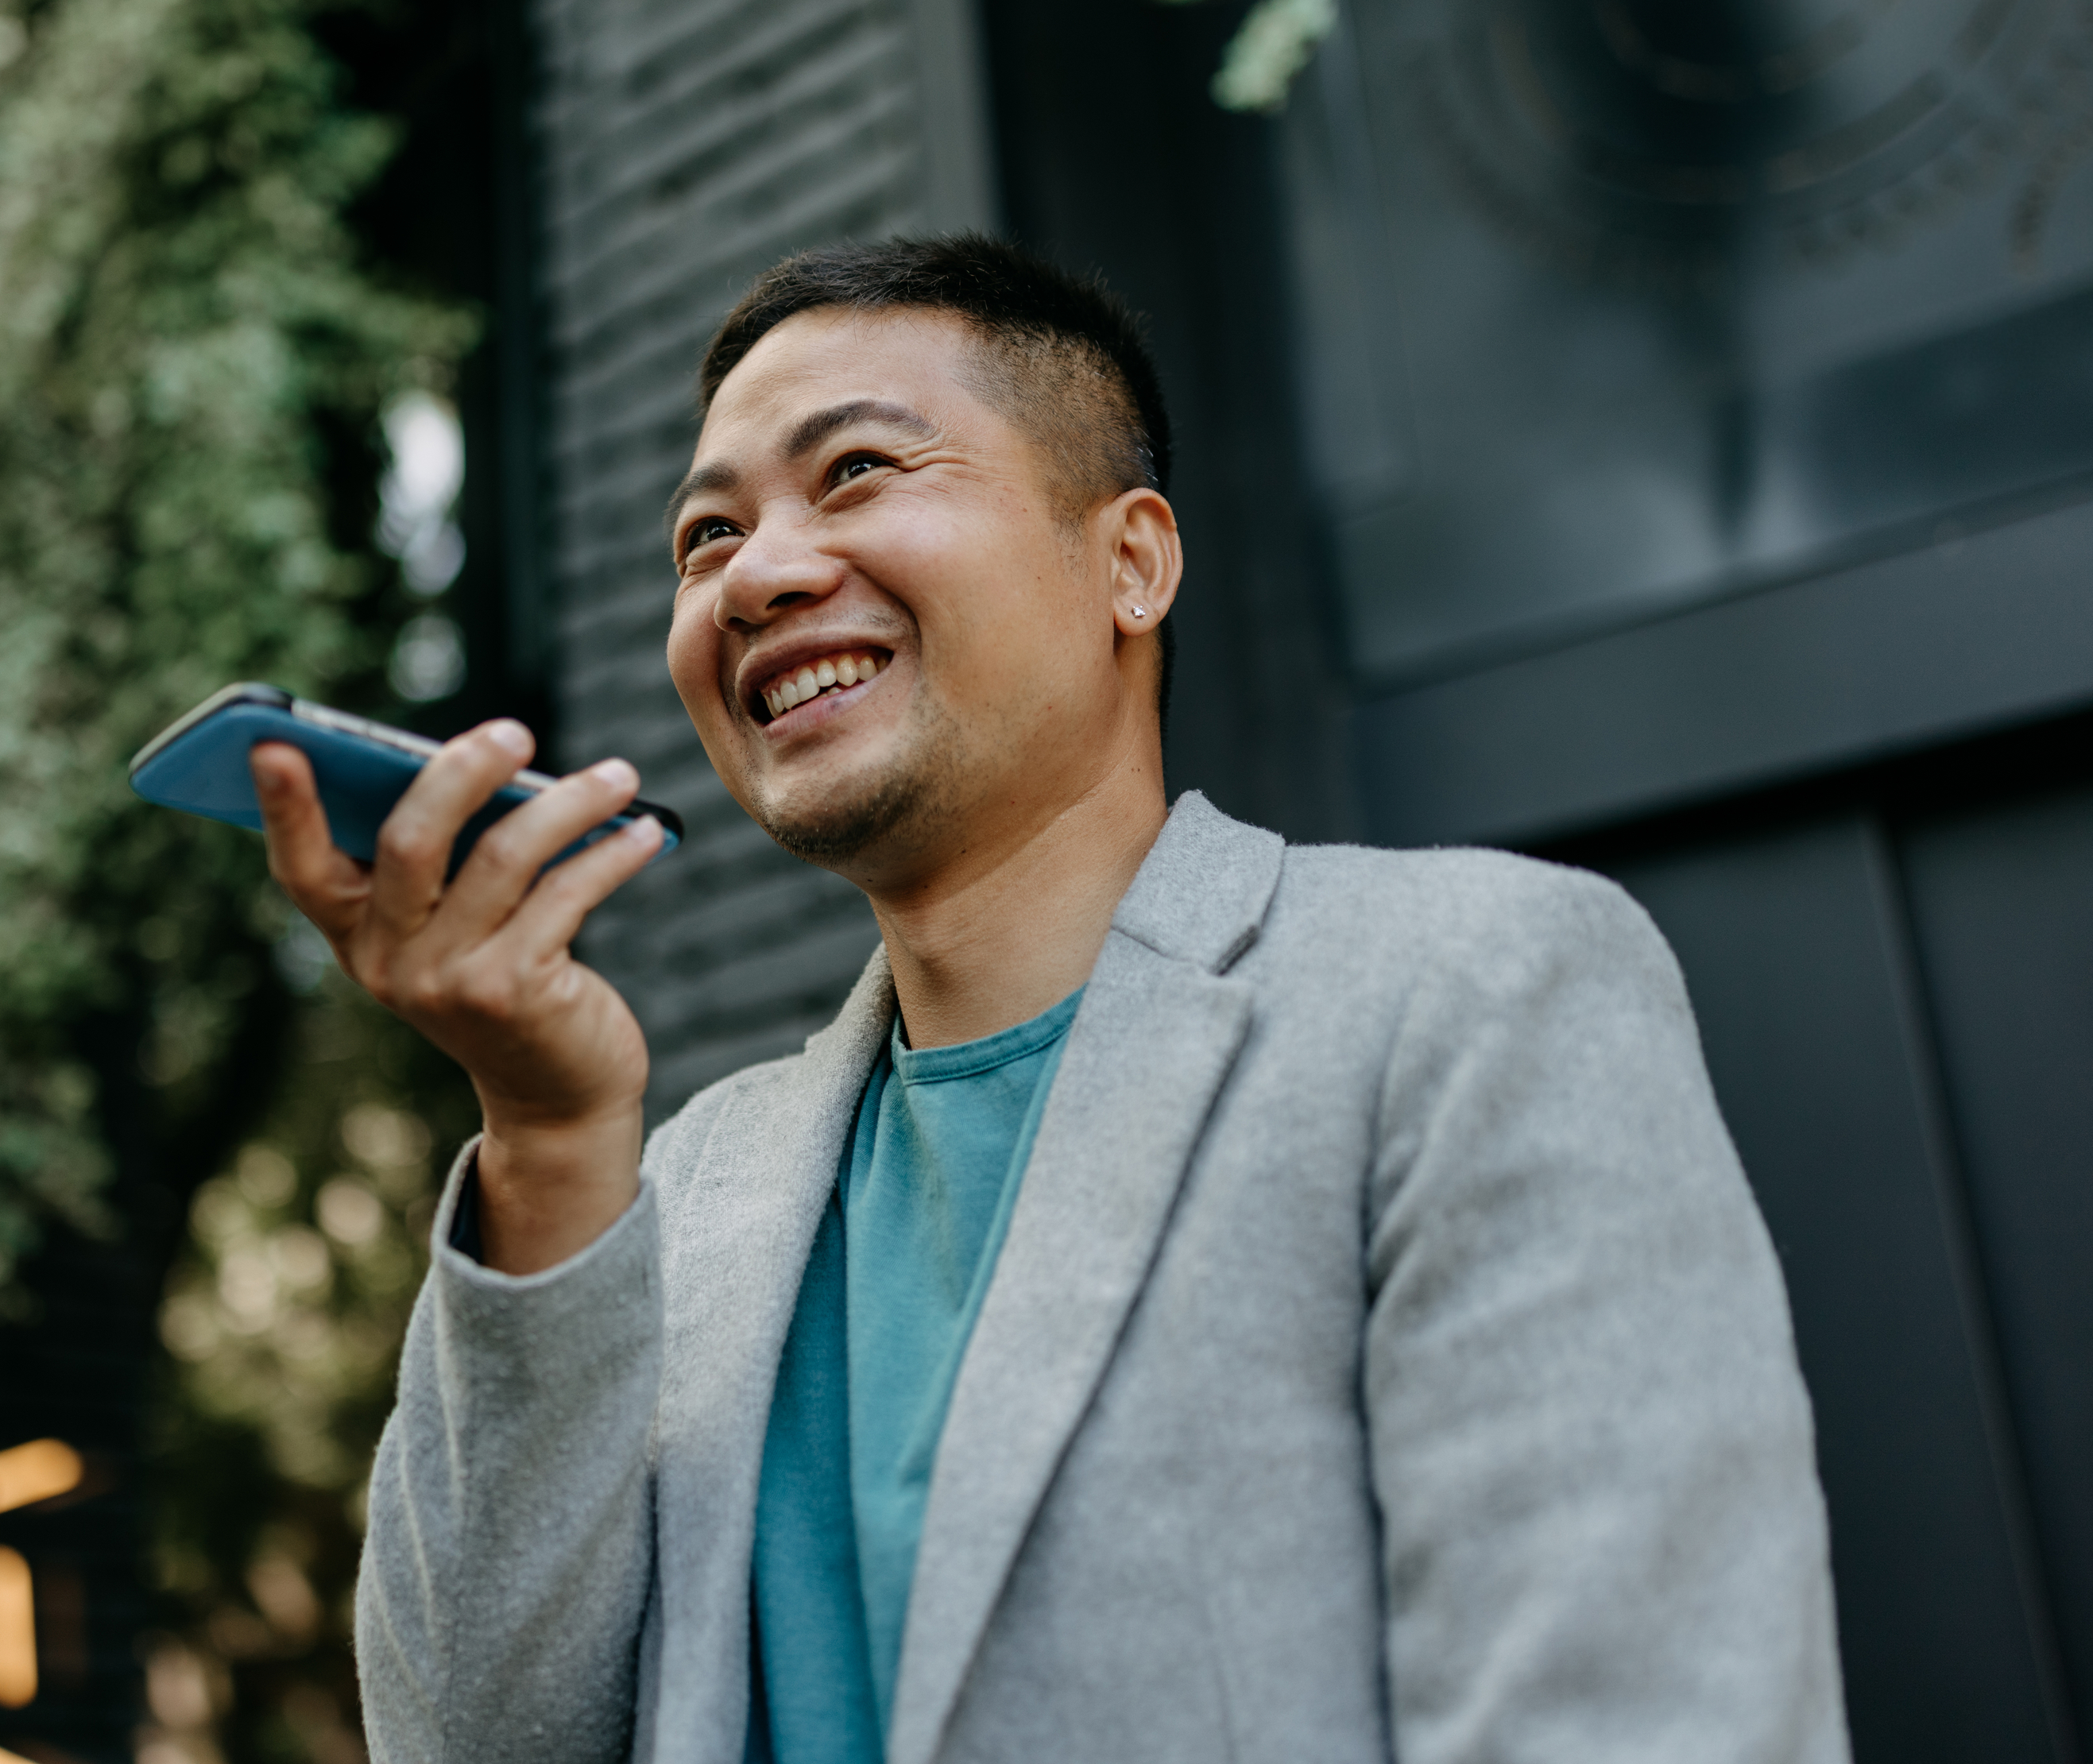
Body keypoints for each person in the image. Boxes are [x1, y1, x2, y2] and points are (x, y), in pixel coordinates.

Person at [251, 235, 1847, 1764]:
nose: (755, 576)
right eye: (704, 537)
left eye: (858, 471)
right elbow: (477, 1738)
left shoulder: (1469, 990)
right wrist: (543, 1136)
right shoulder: (677, 1191)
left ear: (1129, 559)